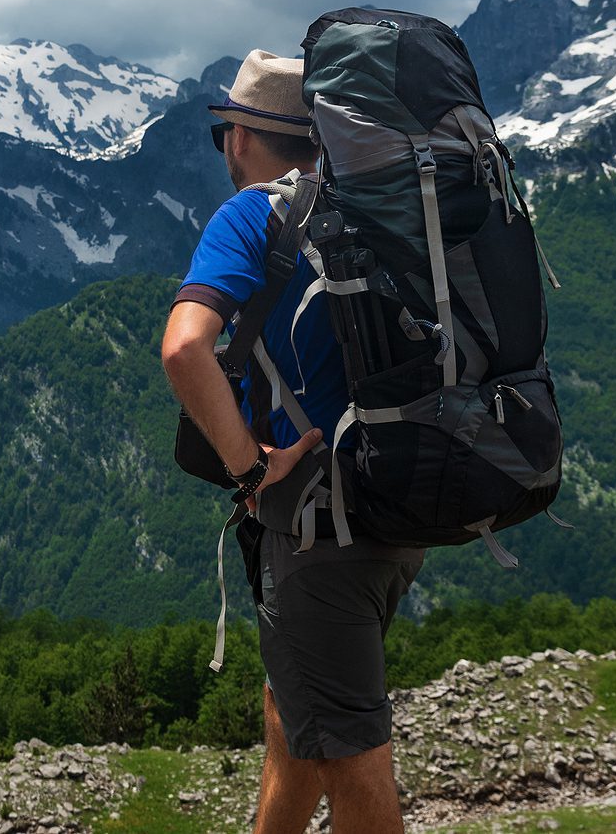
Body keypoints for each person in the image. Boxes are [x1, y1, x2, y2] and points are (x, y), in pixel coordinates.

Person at [161, 49, 425, 833]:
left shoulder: (252, 216)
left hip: (316, 532)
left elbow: (184, 348)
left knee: (353, 752)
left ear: (242, 137)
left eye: (225, 136)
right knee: (292, 714)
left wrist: (248, 468)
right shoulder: (373, 211)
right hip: (396, 507)